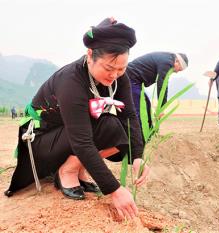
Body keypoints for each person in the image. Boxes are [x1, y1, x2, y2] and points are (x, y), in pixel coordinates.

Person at [5, 18, 149, 221]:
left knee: (118, 129)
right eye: (109, 68)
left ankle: (80, 170)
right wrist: (114, 190)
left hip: (71, 134)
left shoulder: (119, 78)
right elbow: (82, 142)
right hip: (42, 140)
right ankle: (67, 171)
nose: (115, 75)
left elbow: (130, 116)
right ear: (90, 55)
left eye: (121, 69)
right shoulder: (71, 81)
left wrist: (138, 156)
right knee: (95, 130)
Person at [126, 52, 188, 128]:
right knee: (140, 110)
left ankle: (149, 134)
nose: (177, 72)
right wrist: (161, 108)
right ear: (177, 61)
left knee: (146, 104)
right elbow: (162, 85)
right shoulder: (167, 62)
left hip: (136, 81)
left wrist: (161, 106)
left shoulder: (167, 59)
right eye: (179, 69)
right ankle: (140, 137)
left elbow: (163, 84)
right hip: (131, 78)